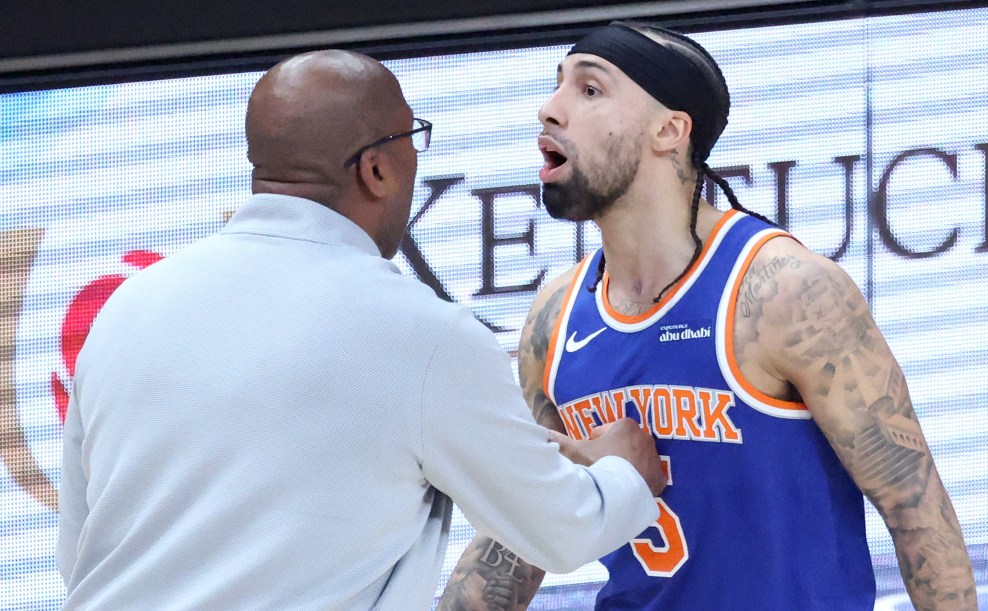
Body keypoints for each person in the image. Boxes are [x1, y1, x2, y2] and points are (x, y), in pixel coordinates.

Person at [56, 49, 668, 610]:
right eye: (412, 139)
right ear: (376, 169)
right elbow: (564, 530)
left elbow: (79, 555)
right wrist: (622, 473)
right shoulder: (424, 336)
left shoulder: (125, 312)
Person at [439, 21, 978, 610]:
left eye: (589, 90)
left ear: (669, 131)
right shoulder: (555, 315)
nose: (549, 110)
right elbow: (522, 528)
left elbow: (917, 514)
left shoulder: (782, 291)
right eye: (556, 86)